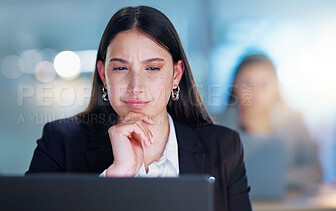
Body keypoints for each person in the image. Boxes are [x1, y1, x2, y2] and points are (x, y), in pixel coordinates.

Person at [26, 6, 251, 210]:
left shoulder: (223, 147)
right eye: (121, 68)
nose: (136, 87)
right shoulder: (60, 142)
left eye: (152, 68)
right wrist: (115, 177)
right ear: (104, 75)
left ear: (176, 74)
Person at [215, 54, 322, 191]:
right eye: (247, 83)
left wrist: (274, 178)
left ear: (275, 87)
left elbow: (315, 171)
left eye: (263, 84)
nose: (255, 91)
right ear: (235, 85)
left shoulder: (294, 122)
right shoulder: (217, 125)